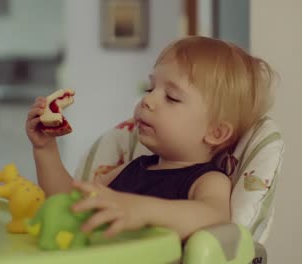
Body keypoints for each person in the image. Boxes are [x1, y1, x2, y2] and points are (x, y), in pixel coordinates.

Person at [25, 36, 275, 240]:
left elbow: (213, 217)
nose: (148, 99)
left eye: (172, 97)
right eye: (150, 88)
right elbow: (68, 204)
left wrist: (139, 210)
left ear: (215, 132)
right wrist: (46, 149)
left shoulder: (207, 181)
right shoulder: (131, 169)